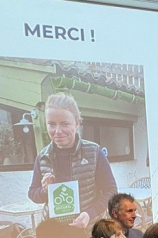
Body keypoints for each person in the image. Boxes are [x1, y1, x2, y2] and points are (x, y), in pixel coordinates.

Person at [28, 92, 117, 229]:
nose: (57, 131)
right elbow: (33, 194)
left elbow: (110, 191)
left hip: (89, 230)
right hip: (55, 231)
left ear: (77, 123)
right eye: (51, 124)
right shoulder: (42, 157)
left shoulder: (94, 152)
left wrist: (89, 214)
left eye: (65, 124)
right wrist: (45, 190)